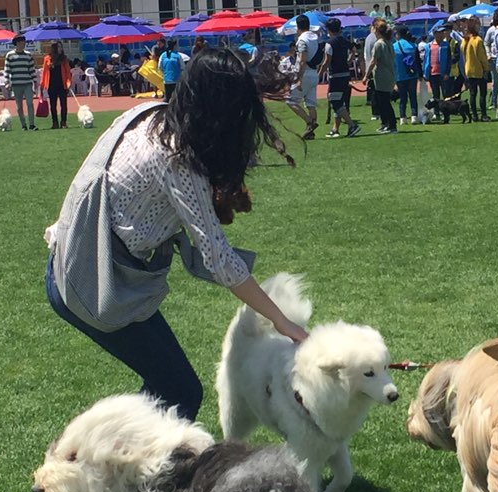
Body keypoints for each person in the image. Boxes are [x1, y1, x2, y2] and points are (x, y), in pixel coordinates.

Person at [45, 49, 307, 423]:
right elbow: (219, 258)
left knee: (168, 387)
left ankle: (112, 462)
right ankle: (104, 465)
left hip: (72, 261)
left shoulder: (147, 115)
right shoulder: (177, 159)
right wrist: (283, 322)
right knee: (178, 389)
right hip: (91, 282)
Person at [319, 17, 361, 138]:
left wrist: (320, 75)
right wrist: (348, 61)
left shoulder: (329, 43)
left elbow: (326, 61)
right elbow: (353, 50)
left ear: (329, 29)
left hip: (335, 76)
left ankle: (352, 125)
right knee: (340, 101)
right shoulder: (344, 40)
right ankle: (335, 129)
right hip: (346, 74)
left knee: (335, 101)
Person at [286, 14, 321, 140]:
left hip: (304, 74)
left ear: (298, 27)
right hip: (314, 73)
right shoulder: (315, 37)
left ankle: (309, 123)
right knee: (310, 103)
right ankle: (310, 132)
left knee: (291, 101)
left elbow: (302, 60)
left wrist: (299, 78)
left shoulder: (302, 40)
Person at [364, 20, 398, 133]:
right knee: (383, 101)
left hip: (381, 76)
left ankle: (392, 125)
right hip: (389, 75)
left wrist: (365, 76)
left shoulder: (379, 44)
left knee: (384, 102)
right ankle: (385, 123)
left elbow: (373, 61)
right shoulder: (389, 42)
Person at [5, 35, 37, 130]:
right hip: (16, 84)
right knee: (19, 106)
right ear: (17, 43)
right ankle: (23, 125)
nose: (24, 44)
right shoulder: (9, 55)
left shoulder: (28, 55)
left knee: (30, 103)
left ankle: (32, 124)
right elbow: (7, 69)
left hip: (27, 83)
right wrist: (7, 81)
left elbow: (32, 69)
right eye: (23, 42)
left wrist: (35, 81)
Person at [461, 17, 490, 121]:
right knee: (482, 93)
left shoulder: (465, 40)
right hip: (479, 70)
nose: (479, 26)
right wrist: (486, 68)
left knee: (472, 94)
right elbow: (482, 56)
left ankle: (474, 115)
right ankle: (483, 115)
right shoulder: (477, 40)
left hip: (468, 69)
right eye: (477, 24)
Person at [393, 24, 420, 125]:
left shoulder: (394, 46)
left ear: (398, 34)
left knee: (403, 98)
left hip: (399, 76)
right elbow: (417, 61)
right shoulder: (413, 45)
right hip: (412, 75)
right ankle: (414, 116)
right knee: (413, 96)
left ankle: (403, 117)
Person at [41, 42, 71, 129]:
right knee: (53, 105)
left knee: (64, 105)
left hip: (62, 84)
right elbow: (44, 72)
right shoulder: (47, 58)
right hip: (51, 85)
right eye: (58, 47)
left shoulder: (64, 59)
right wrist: (42, 84)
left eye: (61, 47)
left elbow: (67, 72)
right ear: (54, 48)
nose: (60, 49)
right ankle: (55, 123)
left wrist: (68, 82)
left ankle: (63, 122)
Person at [424, 23, 451, 101]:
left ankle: (447, 109)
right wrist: (425, 72)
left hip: (442, 73)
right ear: (435, 34)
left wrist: (447, 73)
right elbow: (426, 60)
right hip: (432, 73)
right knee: (435, 94)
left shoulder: (446, 45)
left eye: (443, 33)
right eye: (440, 33)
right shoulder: (428, 46)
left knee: (446, 93)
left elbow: (449, 60)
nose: (442, 35)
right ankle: (437, 111)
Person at [364, 18, 383, 119]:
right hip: (376, 68)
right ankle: (378, 112)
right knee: (378, 91)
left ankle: (376, 112)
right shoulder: (376, 38)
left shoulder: (368, 38)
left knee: (373, 91)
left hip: (370, 67)